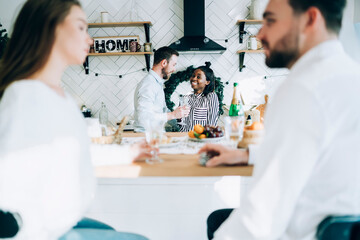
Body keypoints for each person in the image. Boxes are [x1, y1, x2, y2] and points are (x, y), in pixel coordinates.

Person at [200, 0, 360, 239]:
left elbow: (261, 219)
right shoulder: (350, 75)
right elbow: (323, 155)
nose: (261, 33)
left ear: (310, 19)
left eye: (271, 20)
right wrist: (248, 155)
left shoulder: (303, 88)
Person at [0, 0, 149, 239]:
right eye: (81, 28)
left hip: (62, 225)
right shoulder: (24, 95)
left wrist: (127, 154)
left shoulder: (59, 97)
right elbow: (9, 192)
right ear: (51, 28)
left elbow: (74, 153)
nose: (89, 39)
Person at [133, 46, 190, 132]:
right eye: (173, 65)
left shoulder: (157, 84)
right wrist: (173, 115)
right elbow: (143, 117)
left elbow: (164, 111)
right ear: (164, 63)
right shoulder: (149, 84)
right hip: (146, 137)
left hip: (155, 136)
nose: (174, 70)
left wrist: (179, 123)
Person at [179, 62, 219, 132]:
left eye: (198, 77)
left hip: (201, 139)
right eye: (193, 76)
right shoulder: (186, 98)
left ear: (207, 82)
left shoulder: (211, 96)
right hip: (185, 137)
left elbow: (212, 123)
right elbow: (181, 122)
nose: (193, 78)